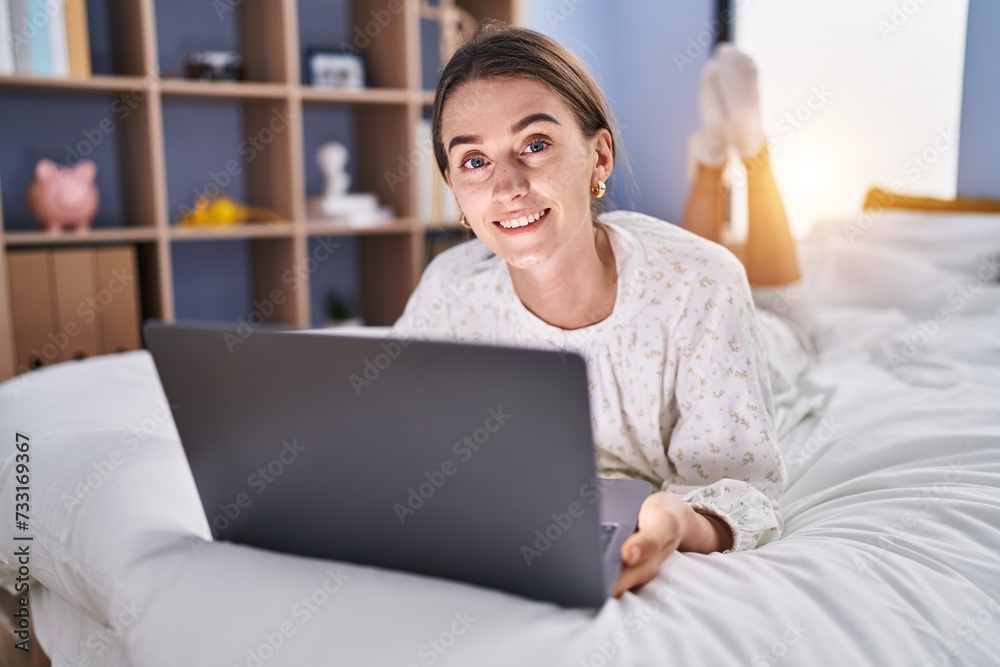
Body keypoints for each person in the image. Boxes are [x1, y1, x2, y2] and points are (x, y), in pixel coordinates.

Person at [391, 25, 810, 597]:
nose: (507, 185)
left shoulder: (703, 285)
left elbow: (744, 488)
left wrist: (680, 521)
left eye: (535, 144)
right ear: (453, 188)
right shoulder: (449, 289)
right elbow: (397, 434)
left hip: (767, 345)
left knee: (775, 292)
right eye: (473, 161)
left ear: (599, 155)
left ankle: (748, 151)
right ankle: (712, 156)